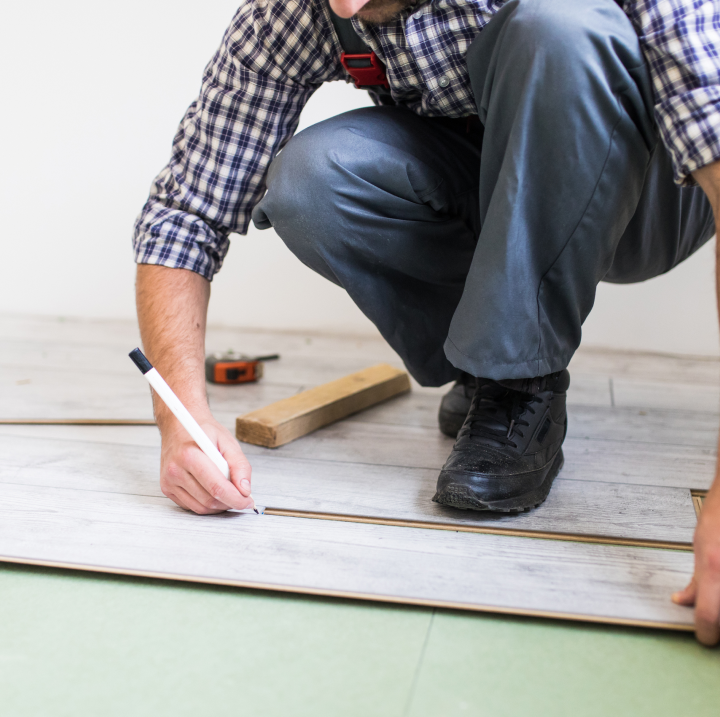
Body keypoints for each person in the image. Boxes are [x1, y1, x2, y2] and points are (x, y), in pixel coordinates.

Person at [133, 0, 720, 644]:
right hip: (498, 183)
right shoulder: (296, 11)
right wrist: (180, 418)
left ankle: (516, 375)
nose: (346, 7)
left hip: (656, 192)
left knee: (558, 28)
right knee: (312, 180)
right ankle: (492, 372)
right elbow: (185, 214)